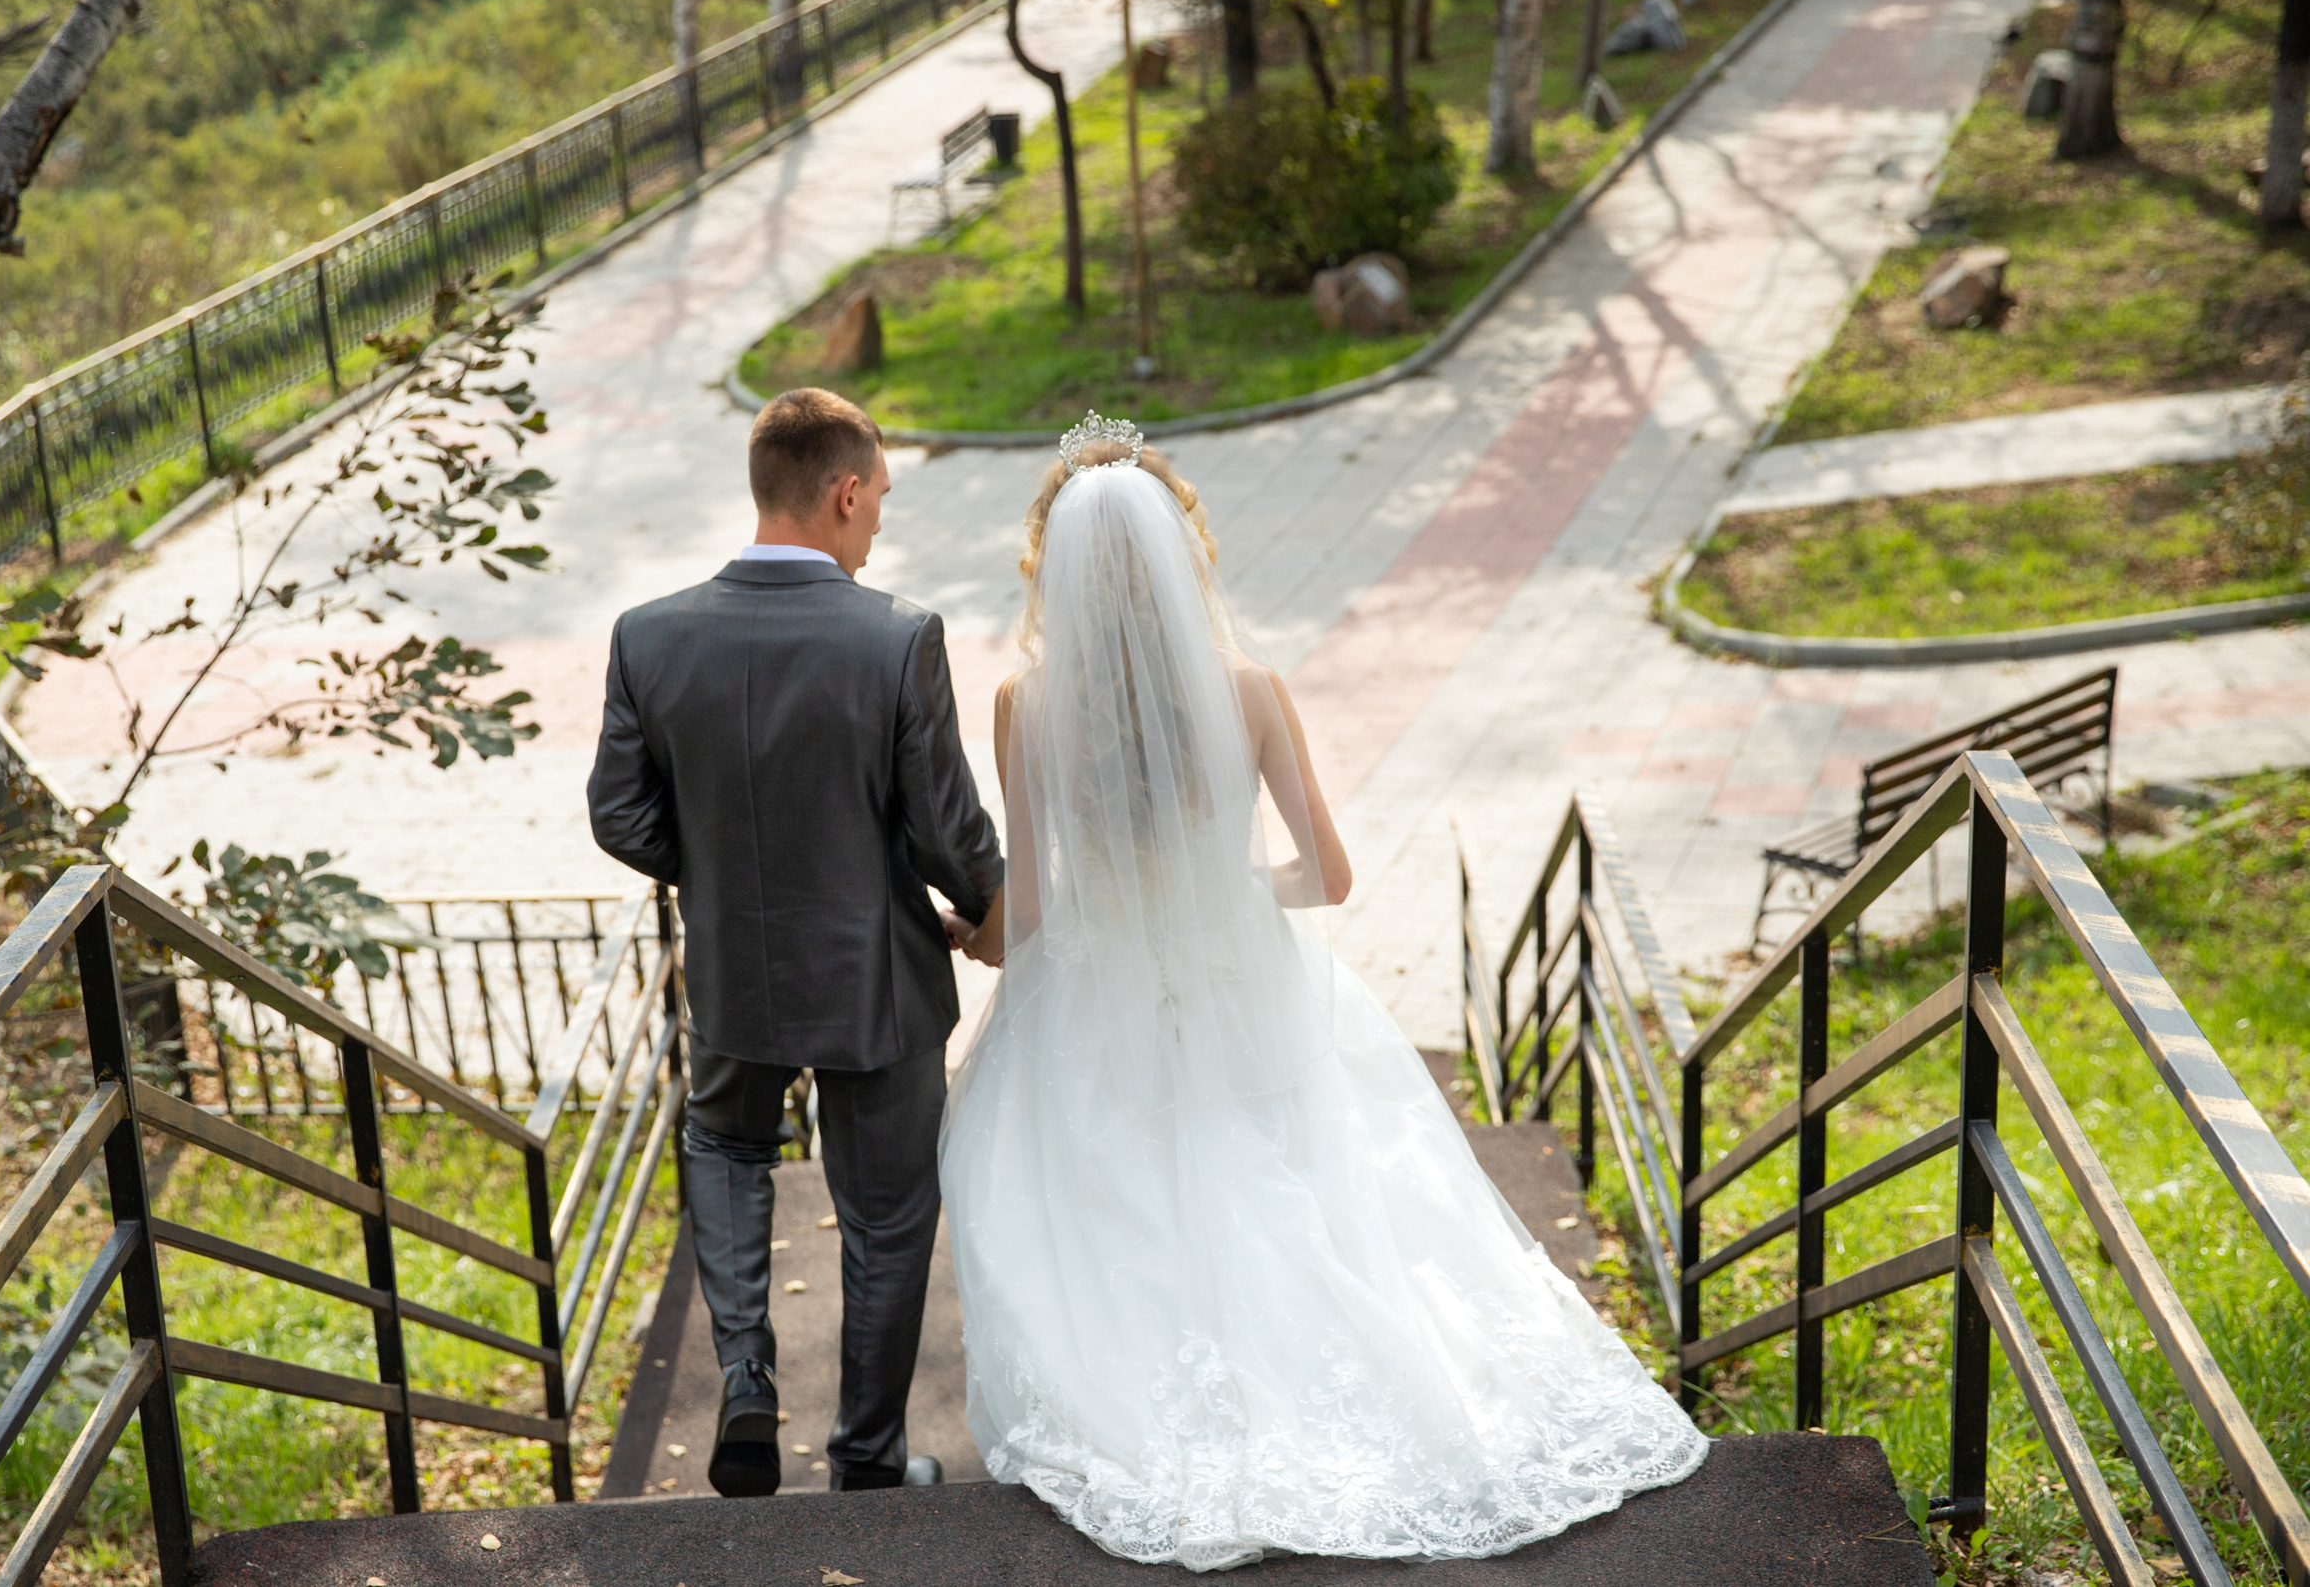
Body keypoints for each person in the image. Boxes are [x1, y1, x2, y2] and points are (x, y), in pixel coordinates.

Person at [938, 415, 1707, 1571]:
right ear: (1181, 552)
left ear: (1056, 568)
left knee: (1119, 1197)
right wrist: (1222, 890)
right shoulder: (1246, 689)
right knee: (1299, 1183)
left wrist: (982, 940)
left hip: (1098, 1007)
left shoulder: (1024, 705)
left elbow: (1037, 904)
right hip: (1242, 985)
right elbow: (1328, 876)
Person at [588, 387, 1004, 1496]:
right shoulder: (898, 636)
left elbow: (619, 817)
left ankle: (746, 1382)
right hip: (880, 982)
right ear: (845, 490)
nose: (879, 528)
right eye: (878, 504)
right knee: (885, 1214)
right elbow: (946, 831)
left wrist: (728, 875)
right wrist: (993, 910)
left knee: (725, 1149)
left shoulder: (648, 635)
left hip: (734, 971)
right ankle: (866, 1456)